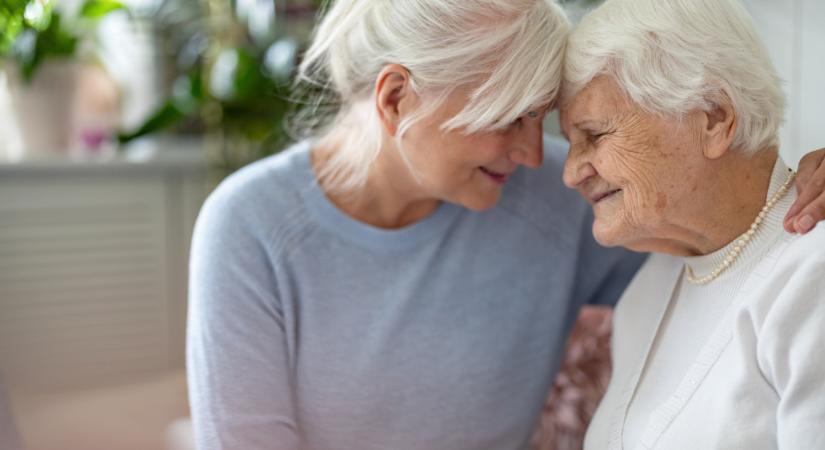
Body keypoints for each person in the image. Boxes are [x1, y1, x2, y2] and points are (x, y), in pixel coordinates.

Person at [187, 1, 825, 449]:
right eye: (504, 119)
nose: (533, 155)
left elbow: (726, 239)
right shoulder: (250, 228)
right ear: (394, 99)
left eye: (539, 119)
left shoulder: (555, 193)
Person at [559, 0, 825, 448]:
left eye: (596, 134)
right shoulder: (649, 286)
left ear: (715, 118)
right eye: (570, 142)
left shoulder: (811, 276)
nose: (570, 172)